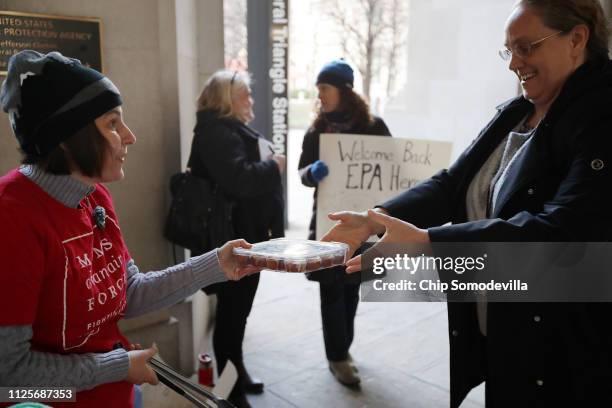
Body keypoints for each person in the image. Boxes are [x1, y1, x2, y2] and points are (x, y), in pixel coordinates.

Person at [323, 1, 612, 406]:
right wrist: (379, 219)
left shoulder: (601, 116)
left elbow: (564, 235)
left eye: (526, 47)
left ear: (577, 39)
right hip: (504, 332)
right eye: (508, 50)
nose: (514, 63)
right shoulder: (517, 112)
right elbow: (451, 184)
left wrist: (430, 245)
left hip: (563, 353)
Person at [0, 51, 261, 408]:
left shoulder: (95, 195)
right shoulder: (11, 217)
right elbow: (9, 376)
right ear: (67, 135)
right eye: (112, 124)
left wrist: (217, 263)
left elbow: (129, 292)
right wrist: (118, 366)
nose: (130, 136)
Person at [188, 69, 285, 407]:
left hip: (245, 238)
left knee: (238, 314)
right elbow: (240, 181)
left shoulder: (228, 130)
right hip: (229, 241)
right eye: (245, 95)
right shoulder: (217, 133)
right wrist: (275, 166)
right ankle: (229, 391)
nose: (251, 101)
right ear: (227, 99)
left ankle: (237, 373)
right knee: (230, 317)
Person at [298, 59, 391, 386]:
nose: (319, 95)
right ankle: (337, 357)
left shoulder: (374, 126)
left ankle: (344, 349)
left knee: (351, 287)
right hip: (326, 224)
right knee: (330, 290)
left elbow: (391, 168)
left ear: (343, 90)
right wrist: (312, 173)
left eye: (324, 88)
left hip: (362, 225)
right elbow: (301, 174)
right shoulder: (316, 130)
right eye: (318, 89)